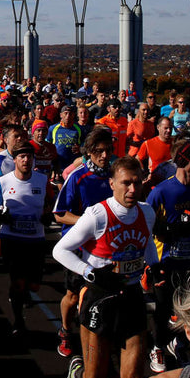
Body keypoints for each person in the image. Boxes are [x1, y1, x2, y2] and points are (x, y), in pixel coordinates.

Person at [53, 156, 157, 378]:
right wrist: (90, 273)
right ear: (111, 183)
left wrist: (154, 265)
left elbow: (147, 240)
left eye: (137, 183)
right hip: (99, 298)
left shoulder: (147, 212)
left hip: (131, 298)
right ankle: (77, 373)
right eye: (125, 183)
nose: (132, 190)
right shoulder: (97, 215)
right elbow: (60, 250)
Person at [144, 140, 190, 373]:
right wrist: (167, 231)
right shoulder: (162, 191)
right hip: (167, 261)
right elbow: (147, 225)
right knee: (163, 309)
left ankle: (180, 343)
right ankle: (157, 347)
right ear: (183, 161)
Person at [51, 128, 115, 358]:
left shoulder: (115, 175)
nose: (105, 156)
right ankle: (66, 331)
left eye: (108, 150)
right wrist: (90, 223)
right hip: (78, 249)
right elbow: (59, 214)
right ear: (89, 152)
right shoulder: (78, 177)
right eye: (99, 151)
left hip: (107, 248)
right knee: (73, 296)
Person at [0, 143, 52, 338]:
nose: (26, 160)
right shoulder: (4, 182)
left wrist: (47, 214)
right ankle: (18, 320)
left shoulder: (42, 180)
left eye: (29, 157)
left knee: (34, 285)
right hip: (12, 238)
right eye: (22, 157)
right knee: (18, 282)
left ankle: (26, 293)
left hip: (36, 238)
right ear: (15, 160)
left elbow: (50, 202)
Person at [138, 117, 175, 189]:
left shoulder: (176, 143)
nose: (169, 131)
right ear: (158, 127)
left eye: (171, 128)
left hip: (172, 185)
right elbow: (138, 159)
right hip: (155, 186)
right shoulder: (148, 143)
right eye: (166, 128)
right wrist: (143, 173)